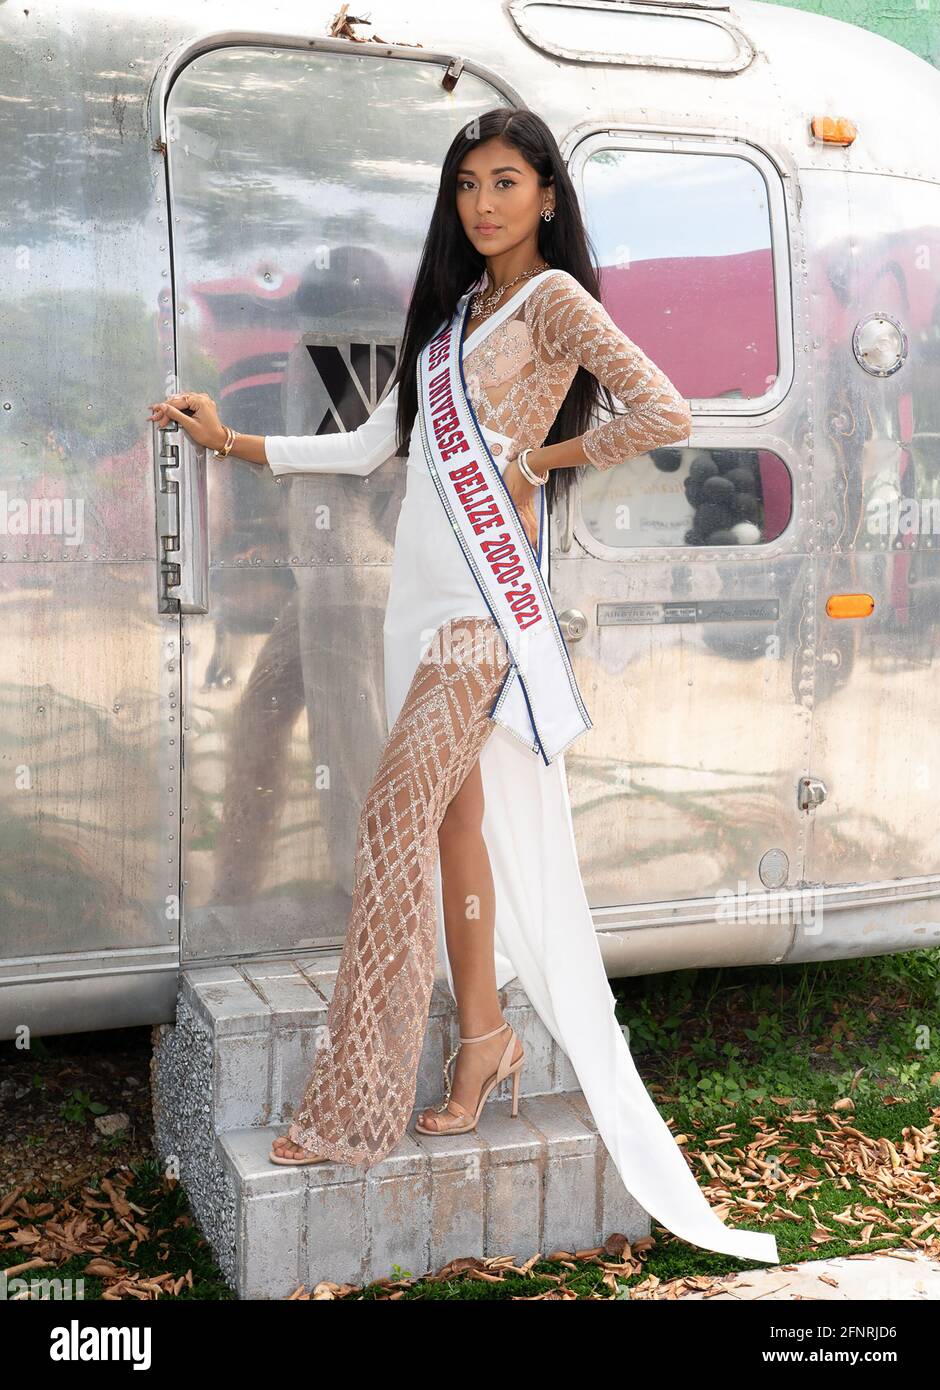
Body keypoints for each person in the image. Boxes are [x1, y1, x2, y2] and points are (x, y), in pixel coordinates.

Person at [148, 107, 779, 1266]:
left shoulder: (550, 304)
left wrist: (541, 459)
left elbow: (662, 409)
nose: (482, 203)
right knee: (451, 823)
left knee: (392, 816)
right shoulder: (451, 324)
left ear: (546, 195)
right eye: (466, 186)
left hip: (481, 616)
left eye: (505, 182)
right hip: (414, 607)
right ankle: (482, 1035)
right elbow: (372, 444)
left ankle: (353, 1101)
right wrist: (230, 441)